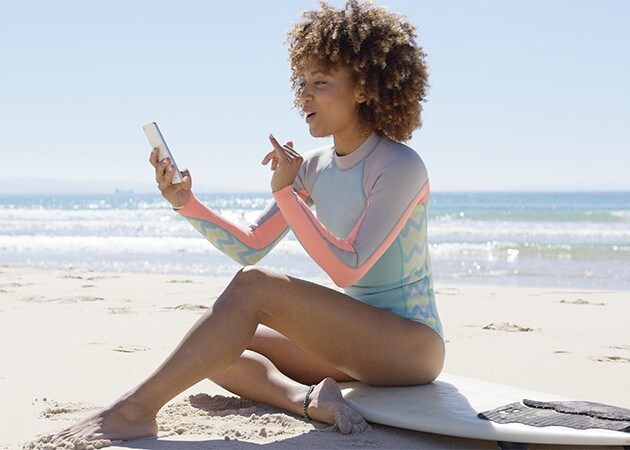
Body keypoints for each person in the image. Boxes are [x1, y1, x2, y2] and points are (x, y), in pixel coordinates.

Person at [58, 0, 444, 442]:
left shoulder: (398, 165)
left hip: (410, 347)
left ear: (363, 89)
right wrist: (188, 203)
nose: (304, 95)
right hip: (351, 338)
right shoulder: (313, 166)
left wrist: (284, 191)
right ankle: (305, 399)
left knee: (253, 286)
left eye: (320, 83)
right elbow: (250, 246)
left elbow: (347, 266)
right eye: (302, 83)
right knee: (215, 342)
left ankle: (133, 411)